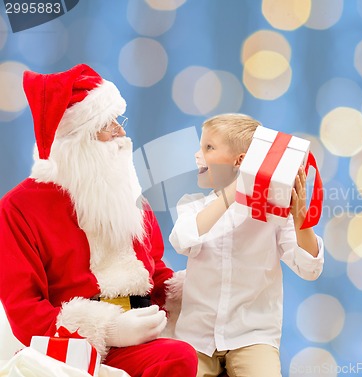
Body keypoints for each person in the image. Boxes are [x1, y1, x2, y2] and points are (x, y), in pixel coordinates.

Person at [0, 64, 198, 377]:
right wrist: (108, 329)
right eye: (108, 125)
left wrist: (192, 288)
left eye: (119, 122)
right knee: (177, 357)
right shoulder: (19, 207)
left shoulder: (128, 198)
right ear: (77, 140)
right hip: (72, 351)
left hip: (145, 337)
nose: (122, 133)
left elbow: (154, 271)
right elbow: (25, 312)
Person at [168, 113, 325, 377]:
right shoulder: (193, 205)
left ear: (239, 161)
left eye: (208, 147)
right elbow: (182, 239)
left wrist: (300, 218)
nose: (197, 155)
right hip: (196, 337)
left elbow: (310, 268)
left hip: (253, 336)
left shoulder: (273, 215)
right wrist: (237, 190)